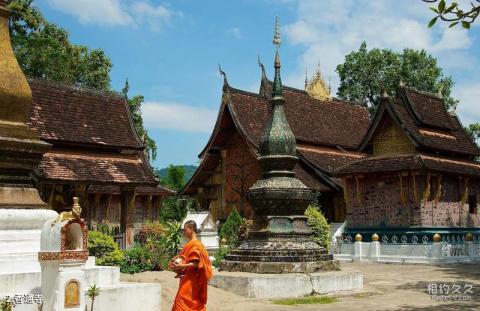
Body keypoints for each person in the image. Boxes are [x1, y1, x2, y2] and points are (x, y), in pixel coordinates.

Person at [170, 220, 212, 311]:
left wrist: (181, 266)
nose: (183, 232)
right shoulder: (188, 244)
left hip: (192, 280)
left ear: (191, 229)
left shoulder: (196, 244)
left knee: (181, 301)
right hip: (186, 277)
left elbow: (196, 263)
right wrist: (178, 268)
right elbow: (185, 260)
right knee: (185, 302)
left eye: (185, 229)